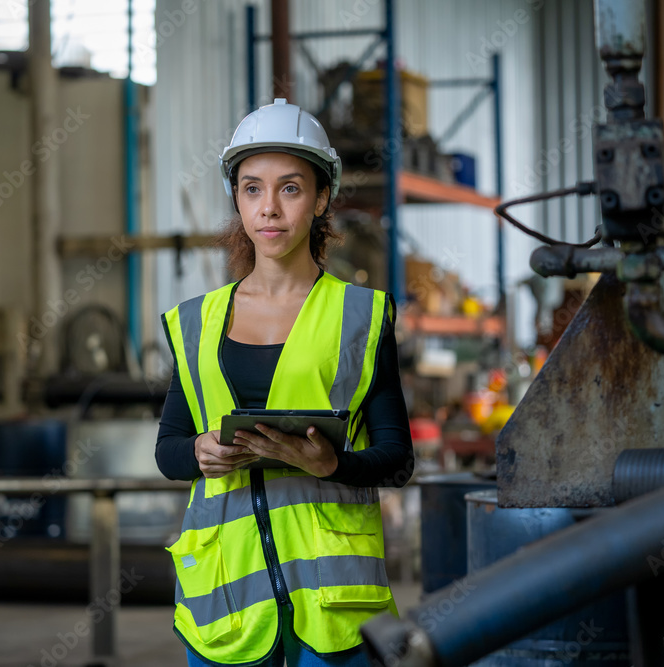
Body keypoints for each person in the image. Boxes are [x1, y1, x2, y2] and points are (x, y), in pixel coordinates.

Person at [156, 98, 414, 667]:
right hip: (226, 606)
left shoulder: (361, 317)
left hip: (334, 608)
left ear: (322, 199)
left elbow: (397, 459)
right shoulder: (196, 321)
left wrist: (332, 465)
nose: (268, 209)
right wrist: (198, 451)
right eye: (252, 189)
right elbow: (168, 450)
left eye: (290, 189)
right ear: (238, 199)